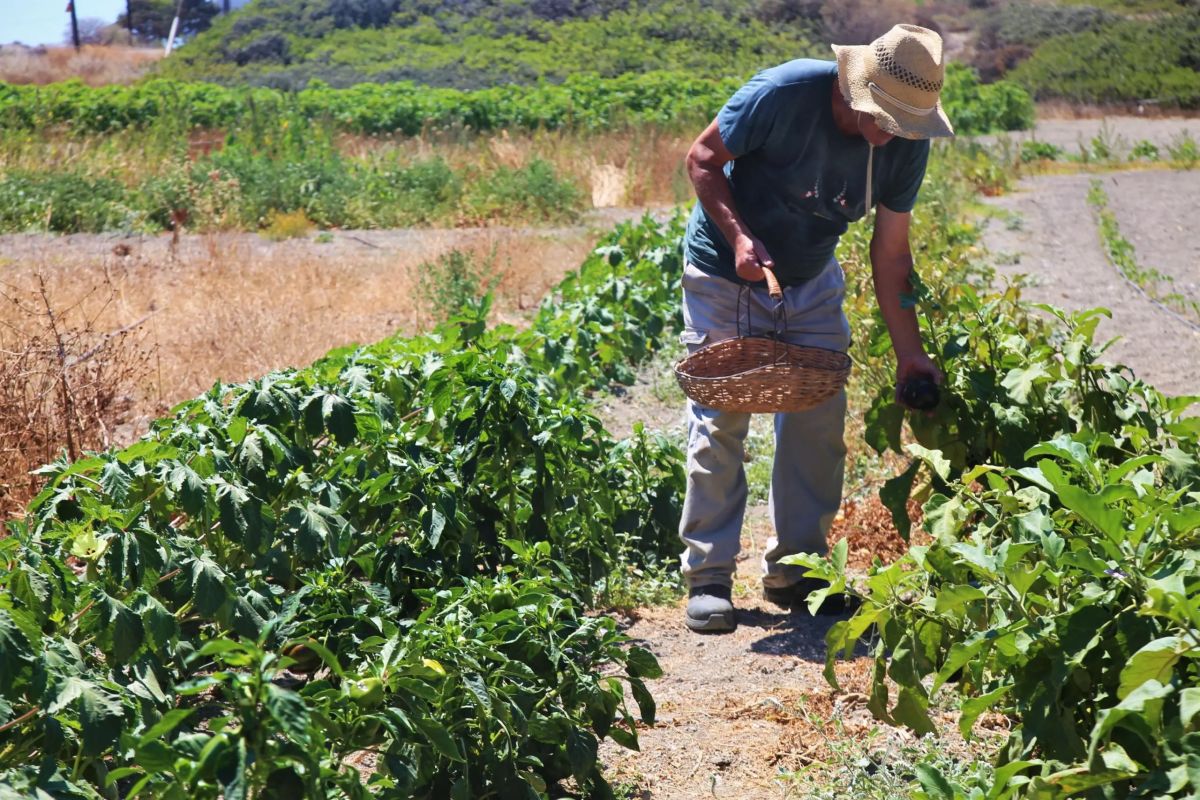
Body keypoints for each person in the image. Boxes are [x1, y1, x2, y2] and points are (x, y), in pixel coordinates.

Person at [679, 24, 953, 633]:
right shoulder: (783, 94)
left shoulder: (906, 142)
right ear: (856, 90)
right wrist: (739, 238)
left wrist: (910, 354)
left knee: (818, 419)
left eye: (905, 123)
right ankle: (709, 575)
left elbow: (891, 253)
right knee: (721, 420)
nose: (893, 133)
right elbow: (702, 159)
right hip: (725, 274)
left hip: (809, 280)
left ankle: (797, 571)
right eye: (886, 117)